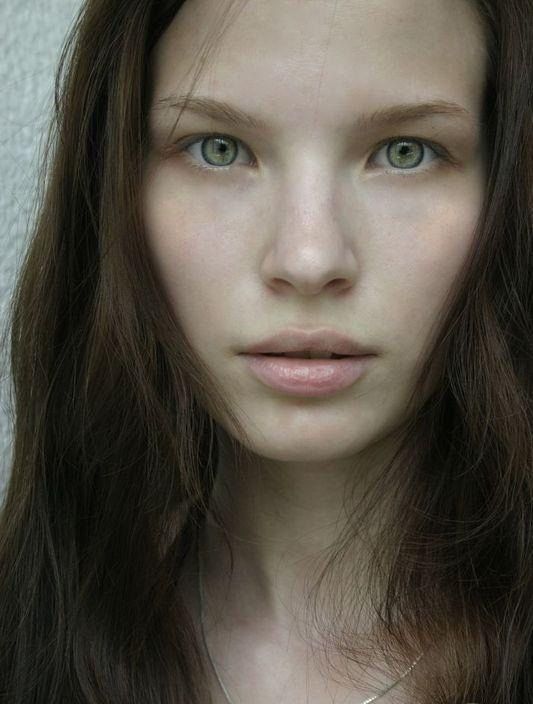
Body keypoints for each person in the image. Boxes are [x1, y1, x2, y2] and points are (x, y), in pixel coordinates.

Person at [0, 0, 530, 702]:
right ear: (116, 187)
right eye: (219, 148)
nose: (308, 259)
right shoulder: (27, 634)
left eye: (406, 151)